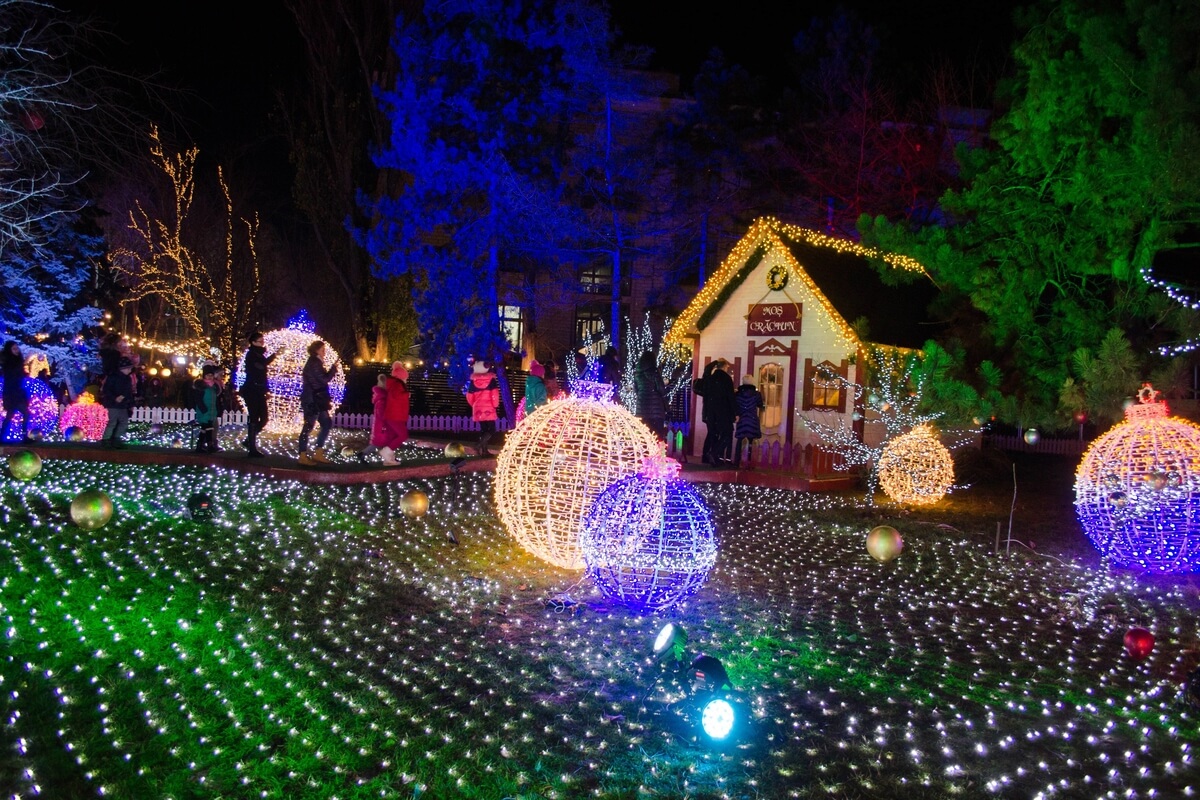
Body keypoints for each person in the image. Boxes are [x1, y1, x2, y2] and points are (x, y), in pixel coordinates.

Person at [297, 340, 339, 466]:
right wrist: (333, 369)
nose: (324, 352)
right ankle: (303, 455)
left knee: (326, 423)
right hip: (312, 400)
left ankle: (318, 452)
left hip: (318, 399)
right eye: (322, 350)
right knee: (309, 426)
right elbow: (324, 379)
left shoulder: (316, 362)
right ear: (316, 350)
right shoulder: (314, 362)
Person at [239, 331, 280, 458]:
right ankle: (252, 448)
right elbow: (260, 368)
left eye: (263, 341)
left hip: (259, 390)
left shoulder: (259, 355)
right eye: (260, 341)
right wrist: (273, 356)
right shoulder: (251, 354)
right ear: (253, 342)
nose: (263, 343)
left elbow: (263, 374)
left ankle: (248, 441)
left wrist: (266, 390)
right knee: (254, 417)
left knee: (264, 418)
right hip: (251, 390)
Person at [700, 358, 736, 465]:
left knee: (713, 434)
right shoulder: (726, 379)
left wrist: (714, 363)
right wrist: (735, 412)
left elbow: (706, 371)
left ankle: (710, 458)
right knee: (727, 433)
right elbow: (730, 397)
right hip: (723, 411)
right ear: (724, 367)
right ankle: (714, 453)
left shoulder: (710, 378)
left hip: (710, 411)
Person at [464, 360, 500, 456]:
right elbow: (495, 394)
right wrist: (495, 405)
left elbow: (469, 396)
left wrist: (474, 405)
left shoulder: (473, 381)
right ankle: (478, 445)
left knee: (484, 430)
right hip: (489, 408)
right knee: (492, 429)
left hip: (478, 409)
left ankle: (484, 451)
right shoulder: (491, 380)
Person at [378, 361, 411, 465]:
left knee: (393, 436)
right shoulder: (397, 384)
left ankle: (388, 459)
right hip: (395, 416)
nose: (406, 380)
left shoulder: (393, 384)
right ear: (401, 377)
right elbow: (396, 396)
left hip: (394, 415)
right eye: (405, 378)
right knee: (403, 435)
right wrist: (406, 395)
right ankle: (386, 452)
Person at [100, 357, 136, 448]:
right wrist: (115, 398)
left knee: (123, 422)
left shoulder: (127, 379)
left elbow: (128, 392)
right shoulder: (113, 377)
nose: (130, 370)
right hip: (113, 404)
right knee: (112, 422)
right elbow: (106, 390)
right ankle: (106, 440)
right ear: (124, 368)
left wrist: (130, 403)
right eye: (129, 368)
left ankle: (116, 439)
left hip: (123, 405)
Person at [633, 350, 667, 442]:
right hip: (656, 412)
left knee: (643, 438)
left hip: (642, 410)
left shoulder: (637, 374)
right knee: (657, 438)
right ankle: (656, 456)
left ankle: (645, 455)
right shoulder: (655, 372)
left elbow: (636, 390)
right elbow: (661, 389)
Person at [733, 374, 765, 468]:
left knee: (740, 440)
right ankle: (750, 461)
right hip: (752, 419)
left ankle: (737, 461)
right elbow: (760, 405)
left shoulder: (737, 394)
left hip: (742, 419)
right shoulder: (756, 394)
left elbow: (735, 405)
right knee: (751, 441)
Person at [1, 340, 30, 442]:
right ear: (9, 350)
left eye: (17, 348)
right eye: (14, 348)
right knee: (11, 415)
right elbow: (11, 375)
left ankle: (24, 436)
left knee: (24, 413)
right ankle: (23, 436)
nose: (16, 350)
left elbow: (20, 375)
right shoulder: (8, 363)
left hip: (18, 391)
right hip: (11, 392)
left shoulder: (18, 361)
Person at [192, 364, 221, 454]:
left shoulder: (213, 387)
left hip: (211, 411)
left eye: (211, 375)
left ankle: (199, 446)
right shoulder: (201, 386)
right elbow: (198, 399)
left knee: (205, 429)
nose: (210, 377)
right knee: (209, 428)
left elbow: (215, 399)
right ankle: (210, 445)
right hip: (204, 411)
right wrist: (203, 409)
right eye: (208, 375)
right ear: (204, 376)